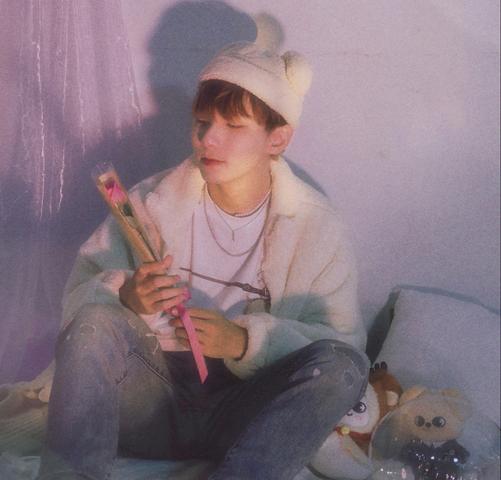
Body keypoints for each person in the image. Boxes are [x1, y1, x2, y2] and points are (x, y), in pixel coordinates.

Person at [38, 41, 369, 480]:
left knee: (346, 367)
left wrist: (244, 343)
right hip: (150, 403)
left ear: (278, 138)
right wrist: (127, 298)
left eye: (233, 125)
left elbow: (343, 344)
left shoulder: (317, 227)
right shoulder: (150, 201)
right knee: (94, 321)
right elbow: (76, 308)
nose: (208, 138)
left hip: (245, 415)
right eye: (202, 121)